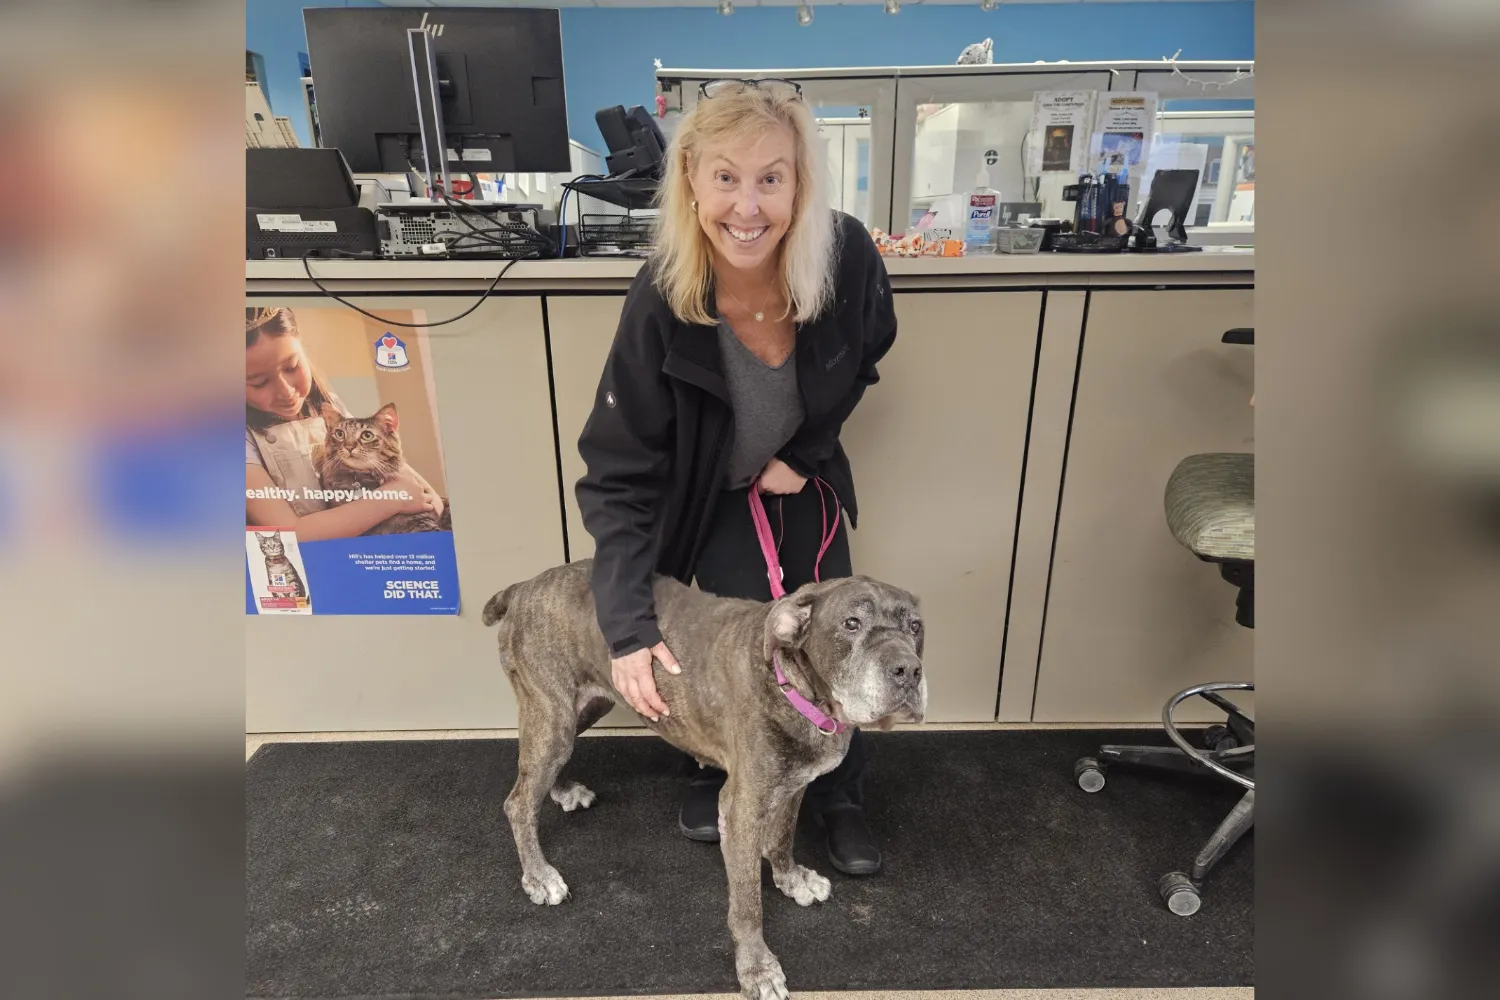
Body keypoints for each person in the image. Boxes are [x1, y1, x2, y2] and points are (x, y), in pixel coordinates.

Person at [575, 80, 898, 875]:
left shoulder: (846, 256)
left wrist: (806, 451)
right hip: (707, 499)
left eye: (770, 179)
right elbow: (617, 472)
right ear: (691, 178)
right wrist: (624, 627)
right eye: (726, 177)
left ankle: (839, 795)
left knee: (839, 633)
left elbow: (864, 357)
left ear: (800, 184)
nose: (747, 207)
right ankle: (714, 767)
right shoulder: (662, 294)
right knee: (731, 645)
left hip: (802, 485)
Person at [245, 307, 438, 539]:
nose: (286, 392)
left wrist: (427, 500)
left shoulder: (327, 405)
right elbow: (290, 534)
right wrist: (391, 500)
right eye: (259, 382)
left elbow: (419, 490)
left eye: (292, 367)